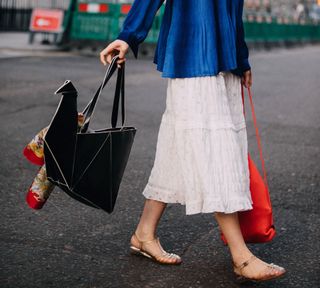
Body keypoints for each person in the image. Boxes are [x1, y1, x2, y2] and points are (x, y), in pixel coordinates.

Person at [100, 0, 286, 283]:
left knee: (178, 147)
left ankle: (144, 233)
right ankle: (241, 256)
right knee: (214, 150)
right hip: (193, 55)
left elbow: (232, 8)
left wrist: (242, 57)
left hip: (225, 59)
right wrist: (128, 36)